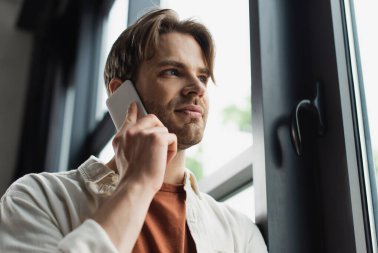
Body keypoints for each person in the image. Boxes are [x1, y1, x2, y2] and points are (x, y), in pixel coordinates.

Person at [0, 8, 267, 253]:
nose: (197, 88)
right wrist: (137, 185)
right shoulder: (37, 198)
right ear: (122, 94)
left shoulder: (239, 234)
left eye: (202, 77)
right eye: (173, 72)